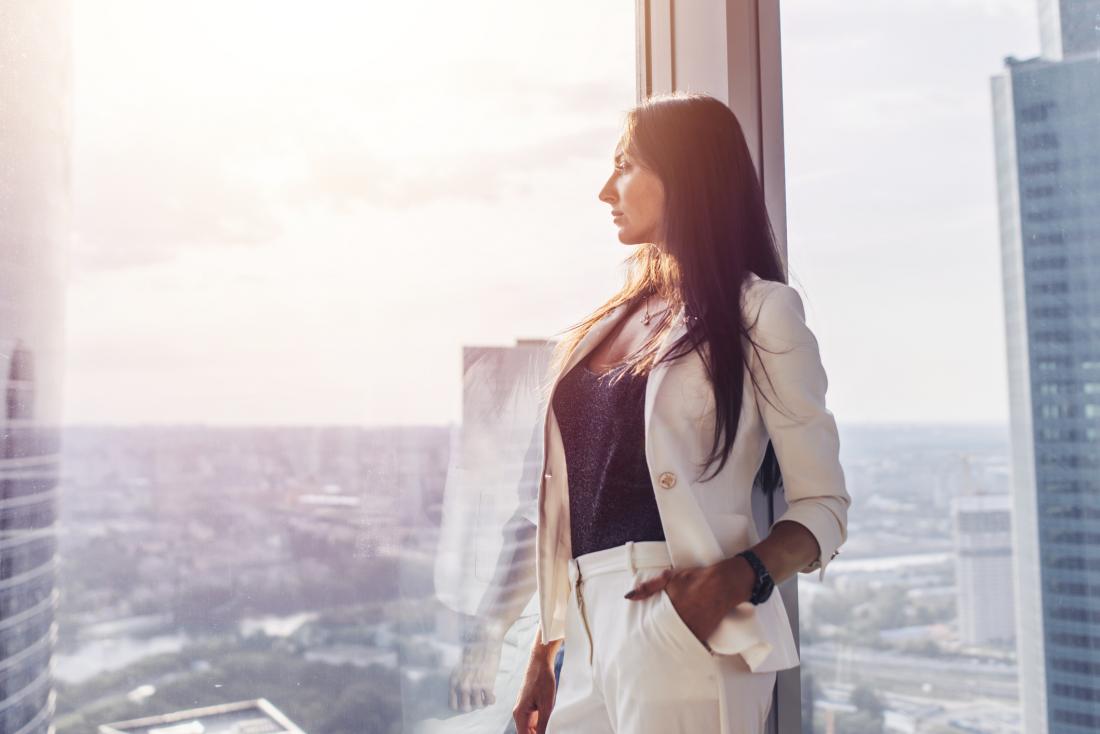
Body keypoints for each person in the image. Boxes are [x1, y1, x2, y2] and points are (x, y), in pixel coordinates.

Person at [455, 91, 850, 733]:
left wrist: (735, 579)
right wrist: (544, 646)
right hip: (584, 635)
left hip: (683, 625)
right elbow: (568, 506)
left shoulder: (762, 312)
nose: (605, 190)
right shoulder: (605, 324)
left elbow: (824, 506)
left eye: (626, 165)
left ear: (689, 174)